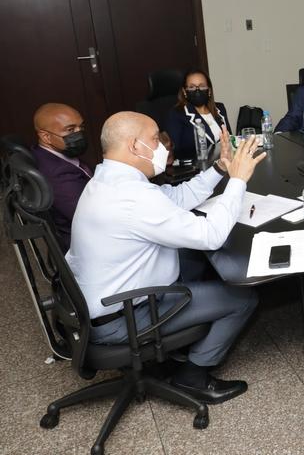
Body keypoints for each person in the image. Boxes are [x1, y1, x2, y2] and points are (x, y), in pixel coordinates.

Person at [67, 112, 265, 404]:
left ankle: (182, 340)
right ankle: (193, 376)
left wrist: (220, 169)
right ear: (135, 146)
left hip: (98, 302)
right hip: (124, 316)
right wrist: (237, 181)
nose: (161, 145)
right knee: (243, 298)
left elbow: (175, 199)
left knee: (194, 258)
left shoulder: (108, 180)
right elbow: (210, 234)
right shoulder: (132, 198)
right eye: (154, 138)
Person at [31, 103, 93, 251]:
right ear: (46, 136)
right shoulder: (57, 175)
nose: (79, 134)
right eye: (70, 130)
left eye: (81, 127)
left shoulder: (43, 153)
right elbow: (89, 219)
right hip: (87, 243)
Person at [164, 68, 232, 163]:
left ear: (209, 90)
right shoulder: (177, 114)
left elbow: (229, 140)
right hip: (195, 168)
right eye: (191, 87)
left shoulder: (219, 108)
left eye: (202, 86)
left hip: (224, 163)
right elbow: (176, 151)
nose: (197, 90)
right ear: (184, 91)